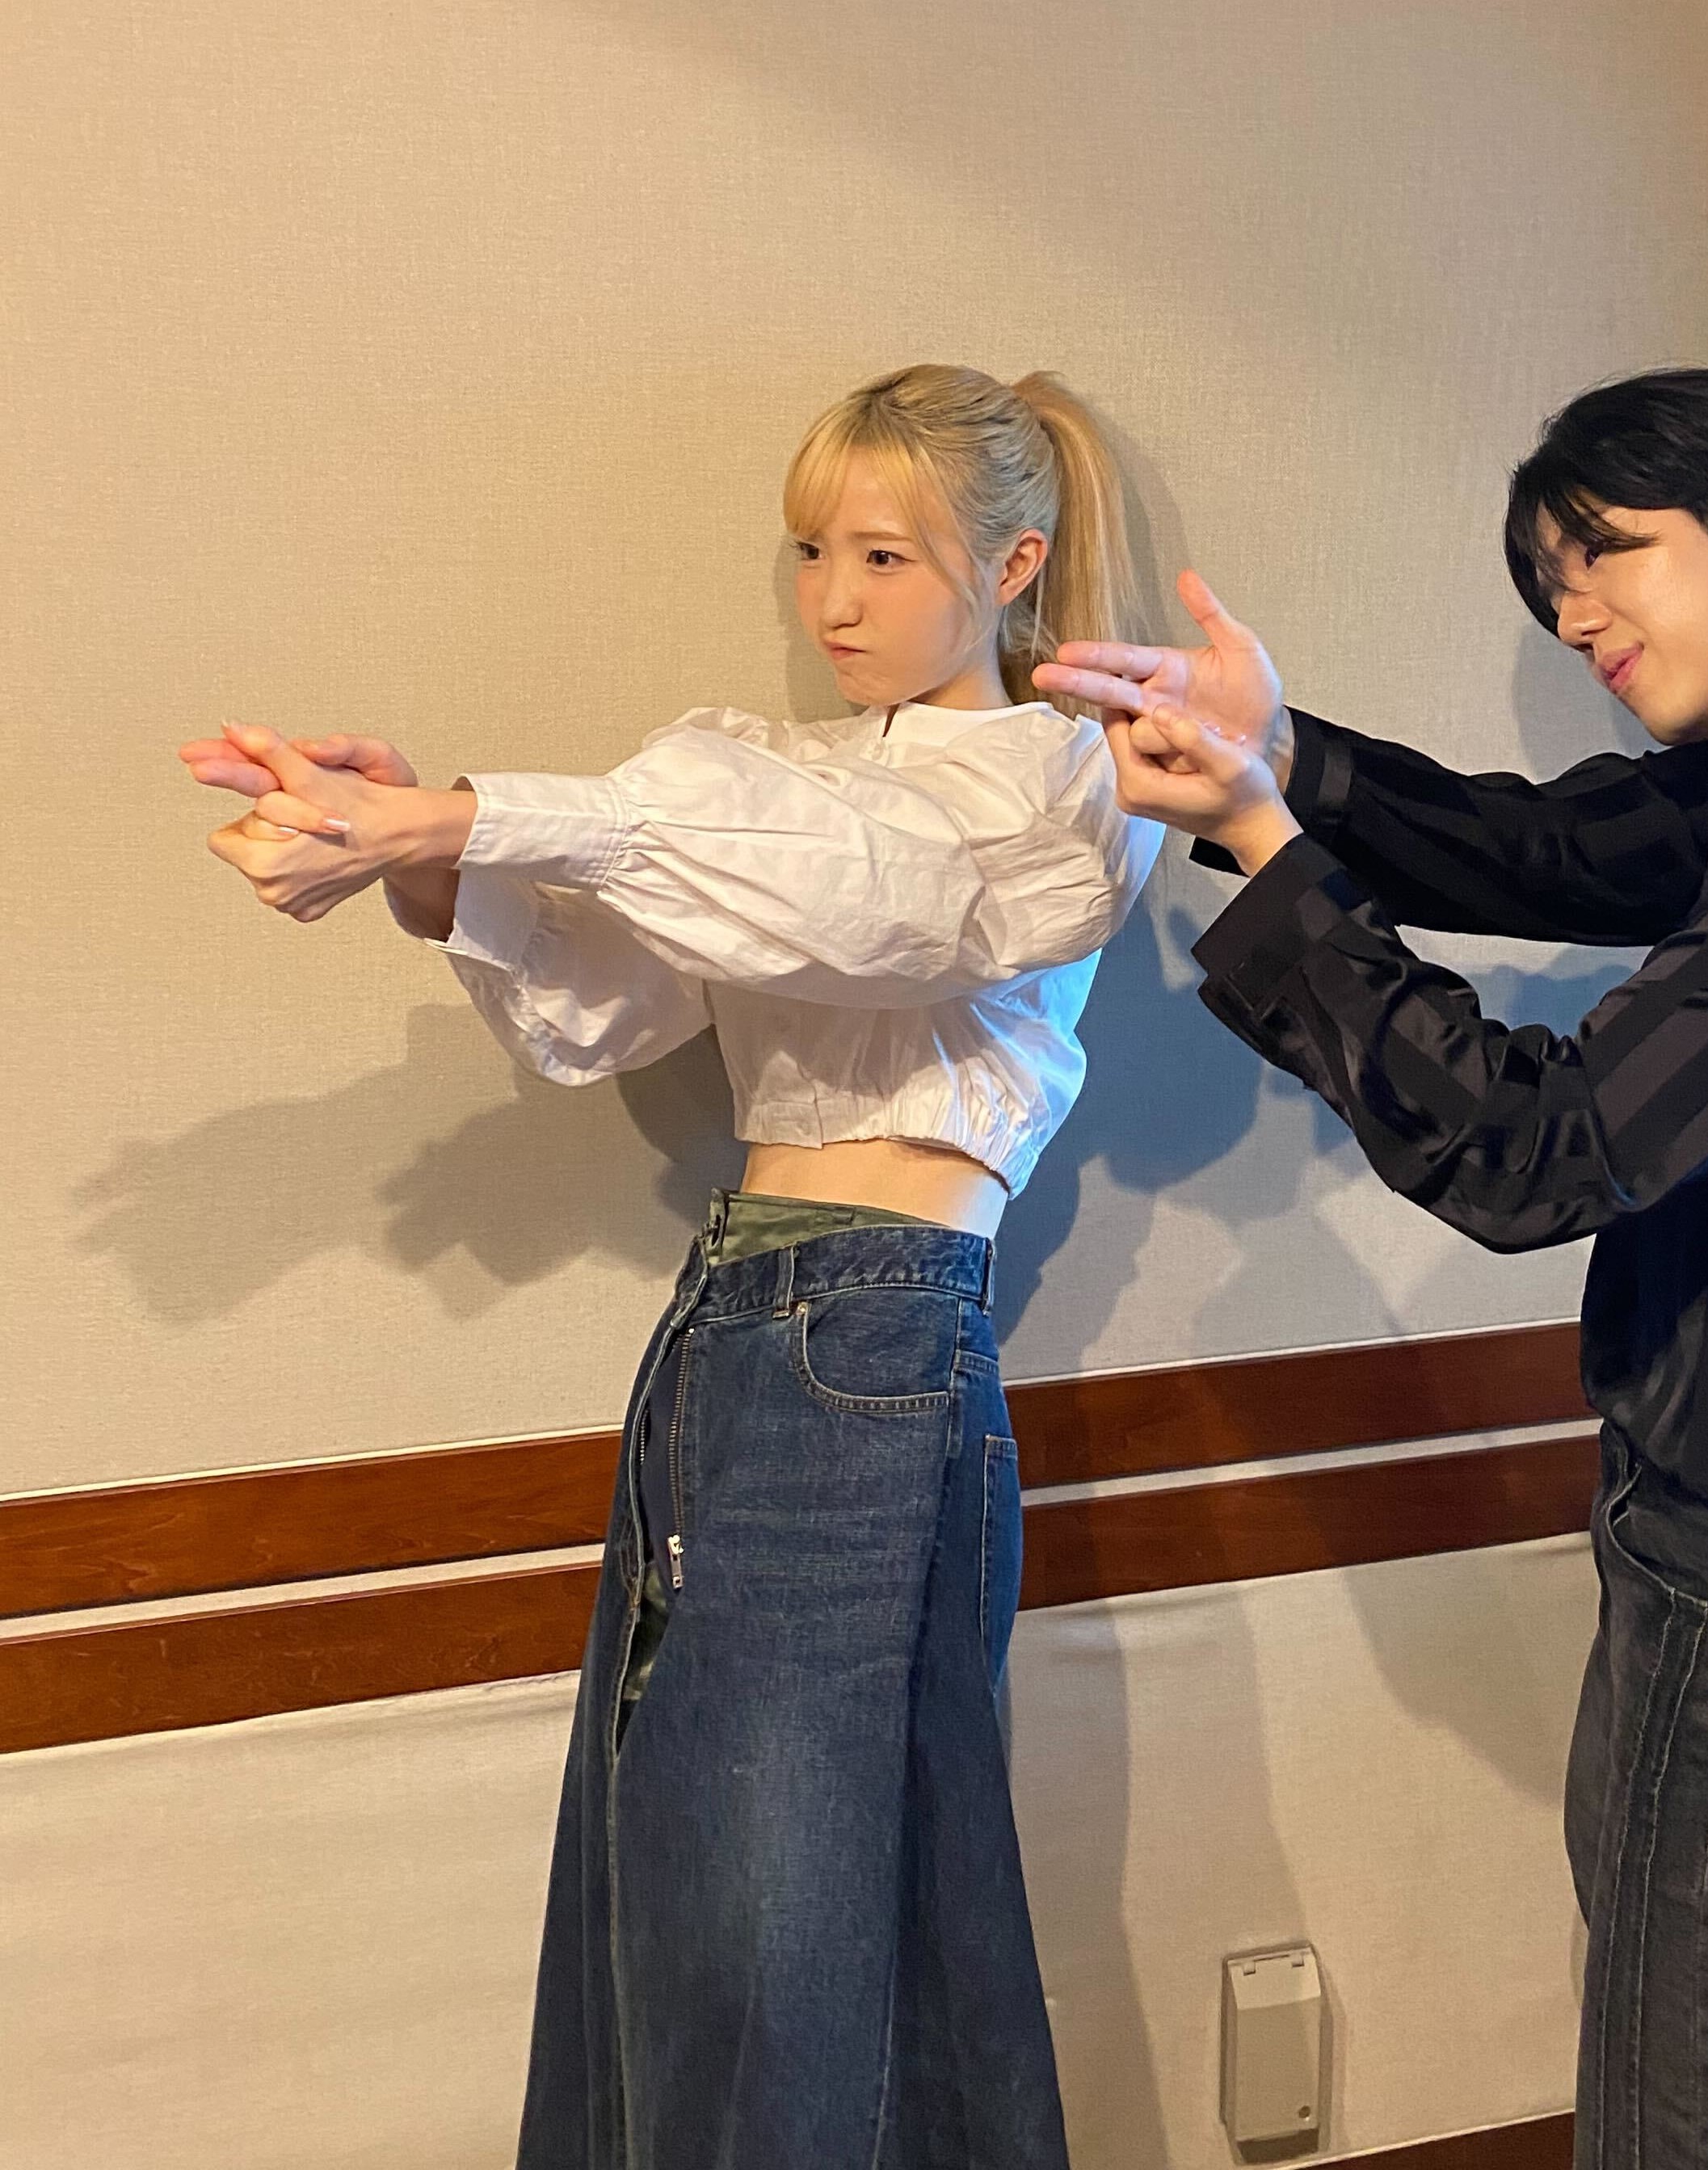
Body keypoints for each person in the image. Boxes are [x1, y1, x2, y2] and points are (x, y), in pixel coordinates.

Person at [1037, 368, 1708, 2170]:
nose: (1577, 616)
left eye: (1603, 555)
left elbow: (1540, 1146)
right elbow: (1531, 844)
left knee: (1694, 2132)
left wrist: (1273, 848)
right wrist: (1277, 756)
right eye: (1552, 592)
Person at [182, 364, 1160, 2168]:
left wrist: (468, 815)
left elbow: (891, 907)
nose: (832, 599)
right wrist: (419, 856)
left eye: (883, 554)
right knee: (703, 1869)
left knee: (802, 1909)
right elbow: (603, 1002)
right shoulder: (781, 779)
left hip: (874, 1322)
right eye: (810, 551)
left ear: (1014, 563)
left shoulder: (1065, 778)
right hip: (738, 1319)